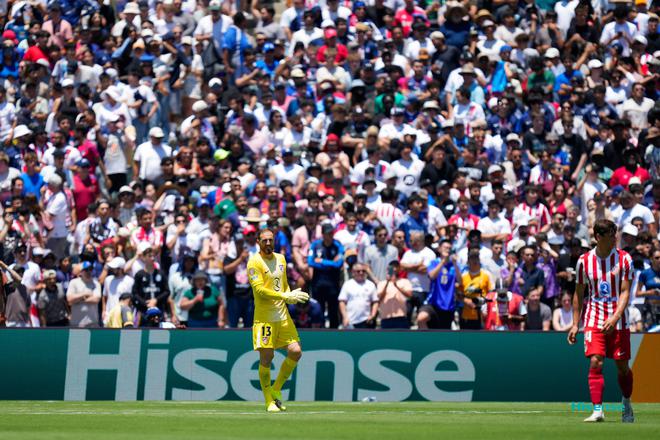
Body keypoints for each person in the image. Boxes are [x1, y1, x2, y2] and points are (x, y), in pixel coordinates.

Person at [568, 219, 634, 423]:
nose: (615, 238)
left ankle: (626, 402)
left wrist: (615, 317)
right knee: (596, 361)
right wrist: (575, 324)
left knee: (622, 367)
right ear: (598, 237)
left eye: (615, 234)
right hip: (594, 318)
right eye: (611, 235)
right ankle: (598, 410)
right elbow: (579, 293)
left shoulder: (624, 259)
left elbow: (625, 292)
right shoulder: (584, 261)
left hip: (619, 320)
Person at [247, 228, 309, 412]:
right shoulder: (254, 262)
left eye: (270, 240)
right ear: (258, 242)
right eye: (264, 240)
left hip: (282, 316)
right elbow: (259, 290)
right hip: (264, 319)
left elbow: (283, 284)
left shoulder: (281, 259)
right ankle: (269, 401)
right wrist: (284, 296)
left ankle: (276, 389)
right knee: (267, 357)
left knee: (296, 351)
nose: (268, 243)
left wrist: (290, 295)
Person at [308, 222, 345, 328]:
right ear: (323, 234)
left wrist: (322, 261)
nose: (330, 235)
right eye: (328, 233)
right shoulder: (315, 245)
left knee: (333, 311)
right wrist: (331, 263)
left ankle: (334, 333)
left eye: (332, 233)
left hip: (333, 282)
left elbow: (339, 264)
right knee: (319, 310)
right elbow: (311, 262)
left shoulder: (338, 245)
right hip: (318, 282)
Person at [418, 240, 461, 329]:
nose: (447, 250)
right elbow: (432, 276)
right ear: (439, 249)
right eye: (445, 247)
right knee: (421, 318)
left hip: (448, 305)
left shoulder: (454, 265)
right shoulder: (434, 262)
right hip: (434, 302)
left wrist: (455, 264)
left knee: (443, 332)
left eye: (449, 248)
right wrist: (442, 262)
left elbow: (460, 281)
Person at [338, 263, 379, 329]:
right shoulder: (347, 284)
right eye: (358, 271)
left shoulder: (371, 285)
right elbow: (342, 302)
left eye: (363, 271)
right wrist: (345, 317)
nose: (361, 273)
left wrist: (372, 315)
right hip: (350, 322)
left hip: (366, 321)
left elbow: (375, 302)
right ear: (353, 272)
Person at [377, 260, 413, 329]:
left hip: (401, 317)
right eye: (391, 269)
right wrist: (387, 282)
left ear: (399, 269)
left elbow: (409, 295)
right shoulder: (381, 283)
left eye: (395, 268)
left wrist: (396, 285)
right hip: (386, 318)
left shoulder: (405, 281)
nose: (393, 271)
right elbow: (379, 297)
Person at [66, 261, 102, 328]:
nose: (88, 272)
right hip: (77, 323)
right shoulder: (73, 282)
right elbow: (69, 299)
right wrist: (85, 294)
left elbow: (96, 299)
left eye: (90, 269)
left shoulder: (96, 283)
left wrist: (77, 300)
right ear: (81, 272)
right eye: (86, 270)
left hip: (92, 323)